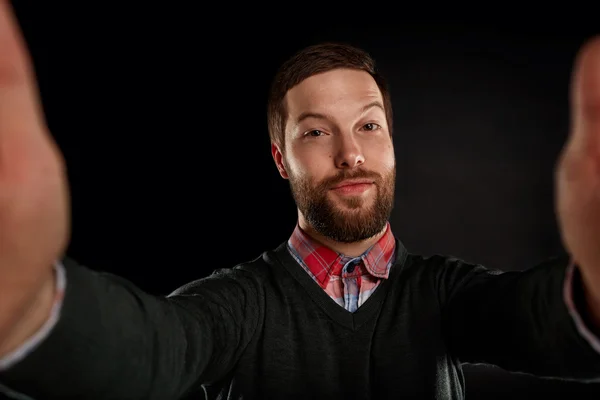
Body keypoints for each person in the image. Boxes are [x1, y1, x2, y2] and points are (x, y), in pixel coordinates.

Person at [0, 2, 599, 399]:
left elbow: (530, 320)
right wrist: (28, 306)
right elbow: (157, 347)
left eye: (369, 126)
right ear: (281, 160)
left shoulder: (448, 296)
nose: (351, 154)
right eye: (316, 132)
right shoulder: (238, 304)